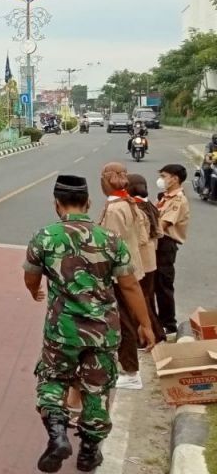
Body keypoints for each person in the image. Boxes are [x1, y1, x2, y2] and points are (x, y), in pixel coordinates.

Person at [24, 174, 155, 474]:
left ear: (57, 203)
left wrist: (34, 290)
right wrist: (144, 324)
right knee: (96, 389)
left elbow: (31, 277)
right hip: (102, 332)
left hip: (62, 331)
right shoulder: (110, 239)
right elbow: (130, 286)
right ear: (89, 202)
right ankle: (89, 451)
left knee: (53, 381)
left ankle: (58, 434)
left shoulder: (44, 236)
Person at [97, 163, 147, 390]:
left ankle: (130, 371)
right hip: (131, 266)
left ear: (106, 181)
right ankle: (128, 367)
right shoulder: (126, 202)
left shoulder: (116, 208)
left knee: (124, 321)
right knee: (126, 318)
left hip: (120, 273)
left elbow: (111, 245)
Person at [128, 173, 165, 342]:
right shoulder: (149, 205)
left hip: (140, 261)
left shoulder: (136, 209)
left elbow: (139, 238)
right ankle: (154, 335)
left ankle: (153, 336)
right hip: (150, 259)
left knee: (140, 301)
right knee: (147, 298)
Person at [155, 164, 190, 337]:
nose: (161, 180)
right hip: (159, 242)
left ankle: (169, 325)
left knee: (163, 284)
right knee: (155, 283)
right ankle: (157, 323)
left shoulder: (178, 200)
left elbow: (163, 224)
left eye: (164, 176)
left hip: (166, 243)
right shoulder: (165, 197)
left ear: (175, 178)